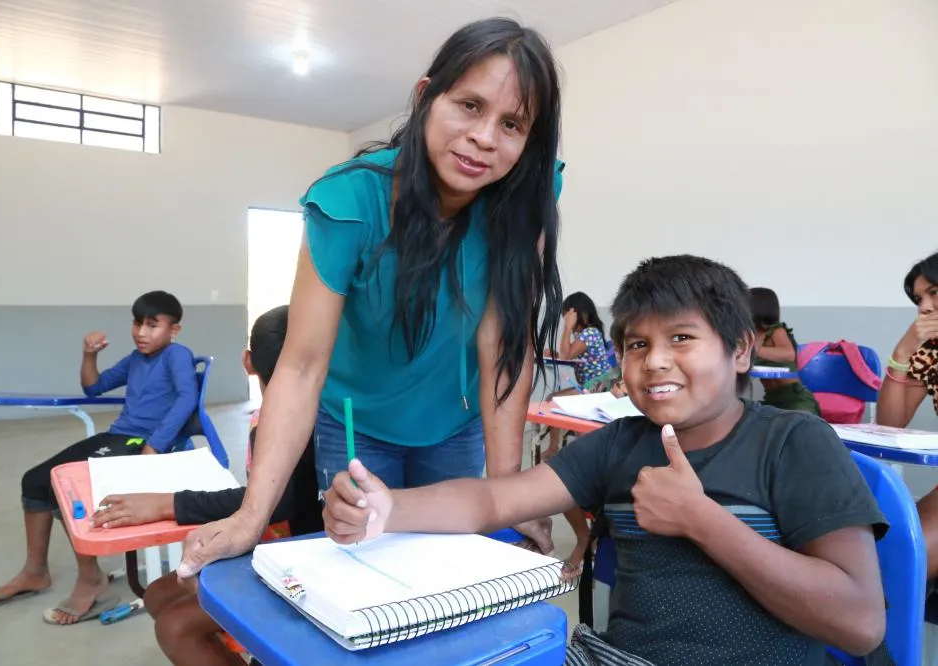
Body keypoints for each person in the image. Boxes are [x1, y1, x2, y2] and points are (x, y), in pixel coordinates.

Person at [322, 255, 888, 666]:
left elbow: (860, 624)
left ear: (740, 349)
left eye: (682, 337)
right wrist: (387, 506)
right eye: (637, 345)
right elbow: (494, 499)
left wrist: (702, 519)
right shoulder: (622, 442)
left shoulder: (795, 443)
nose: (655, 361)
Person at [175, 17, 567, 579]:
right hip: (358, 426)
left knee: (448, 572)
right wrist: (250, 516)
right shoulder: (349, 199)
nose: (485, 137)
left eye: (512, 124)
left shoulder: (524, 196)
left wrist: (510, 496)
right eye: (470, 106)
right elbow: (303, 364)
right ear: (426, 97)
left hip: (454, 426)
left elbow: (503, 345)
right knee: (367, 570)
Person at [91, 306, 321, 666]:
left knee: (176, 626)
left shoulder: (295, 427)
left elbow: (277, 502)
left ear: (247, 362)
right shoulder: (274, 419)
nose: (143, 332)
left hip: (300, 564)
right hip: (275, 542)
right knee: (157, 594)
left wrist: (170, 503)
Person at [0, 290, 198, 624]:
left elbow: (188, 398)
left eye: (152, 325)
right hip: (116, 438)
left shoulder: (177, 355)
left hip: (139, 443)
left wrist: (153, 447)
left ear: (174, 330)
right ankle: (35, 571)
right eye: (137, 323)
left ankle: (92, 581)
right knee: (35, 480)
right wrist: (88, 354)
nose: (141, 332)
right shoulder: (135, 359)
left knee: (66, 487)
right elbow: (93, 387)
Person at [542, 291, 615, 579]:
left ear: (576, 311)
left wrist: (567, 327)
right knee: (554, 398)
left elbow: (567, 354)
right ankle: (553, 446)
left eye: (567, 313)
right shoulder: (589, 335)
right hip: (589, 384)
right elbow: (565, 356)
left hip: (599, 386)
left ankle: (553, 446)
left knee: (556, 401)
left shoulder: (593, 332)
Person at [876, 251, 938, 582]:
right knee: (901, 563)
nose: (925, 307)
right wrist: (902, 352)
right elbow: (889, 426)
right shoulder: (930, 352)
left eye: (934, 293)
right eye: (919, 299)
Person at [749, 287, 820, 415]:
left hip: (795, 399)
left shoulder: (776, 331)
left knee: (802, 426)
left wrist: (752, 349)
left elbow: (789, 355)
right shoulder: (750, 334)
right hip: (772, 398)